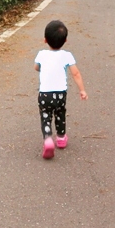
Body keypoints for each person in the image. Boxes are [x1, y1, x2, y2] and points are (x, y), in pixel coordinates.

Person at [34, 20, 87, 159]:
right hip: (60, 94)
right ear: (66, 40)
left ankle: (48, 139)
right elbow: (76, 73)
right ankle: (61, 138)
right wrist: (82, 90)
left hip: (44, 94)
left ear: (45, 40)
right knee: (60, 114)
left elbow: (36, 67)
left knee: (46, 115)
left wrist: (42, 68)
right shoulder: (67, 55)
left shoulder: (41, 54)